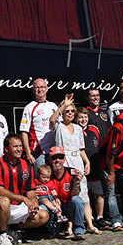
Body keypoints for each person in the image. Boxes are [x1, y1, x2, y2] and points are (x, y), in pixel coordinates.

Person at [0, 133, 49, 245]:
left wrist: (33, 202)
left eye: (20, 146)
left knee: (43, 215)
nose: (19, 149)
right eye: (15, 147)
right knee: (4, 201)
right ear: (6, 149)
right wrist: (24, 199)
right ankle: (2, 235)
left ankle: (13, 230)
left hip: (17, 206)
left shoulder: (26, 165)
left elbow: (30, 190)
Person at [49, 94, 98, 234]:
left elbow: (81, 148)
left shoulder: (77, 128)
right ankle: (71, 226)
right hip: (65, 161)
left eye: (71, 111)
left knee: (84, 194)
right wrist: (63, 105)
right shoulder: (59, 127)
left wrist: (87, 161)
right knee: (69, 194)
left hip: (77, 161)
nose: (69, 113)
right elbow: (52, 119)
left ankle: (90, 223)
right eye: (67, 111)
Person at [75, 107, 105, 229]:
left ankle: (100, 217)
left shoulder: (94, 130)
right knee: (85, 194)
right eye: (80, 117)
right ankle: (89, 218)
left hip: (95, 165)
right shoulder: (75, 131)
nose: (83, 120)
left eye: (85, 117)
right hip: (81, 166)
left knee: (98, 193)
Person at [49, 147, 86, 240]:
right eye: (54, 157)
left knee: (77, 200)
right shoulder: (46, 174)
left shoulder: (72, 172)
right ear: (49, 160)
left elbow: (75, 194)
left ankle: (79, 231)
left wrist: (76, 184)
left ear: (64, 159)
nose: (57, 160)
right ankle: (53, 229)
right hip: (54, 208)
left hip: (68, 206)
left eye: (60, 157)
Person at [20, 78, 57, 167]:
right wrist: (28, 152)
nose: (40, 90)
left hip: (54, 152)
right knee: (40, 180)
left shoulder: (53, 106)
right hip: (39, 153)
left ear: (47, 88)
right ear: (33, 90)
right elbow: (24, 132)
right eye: (37, 87)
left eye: (42, 87)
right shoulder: (29, 107)